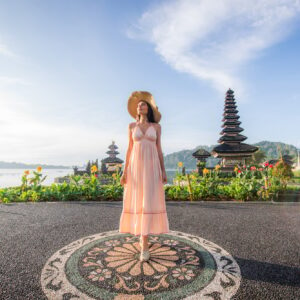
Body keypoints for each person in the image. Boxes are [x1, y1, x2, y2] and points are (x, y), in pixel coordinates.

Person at [119, 91, 170, 262]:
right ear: (136, 109)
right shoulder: (131, 127)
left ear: (149, 109)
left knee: (148, 200)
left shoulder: (156, 128)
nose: (142, 106)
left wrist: (163, 170)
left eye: (145, 104)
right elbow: (128, 149)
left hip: (152, 167)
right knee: (138, 200)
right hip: (135, 167)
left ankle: (145, 242)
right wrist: (124, 171)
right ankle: (142, 237)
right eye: (140, 105)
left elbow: (159, 150)